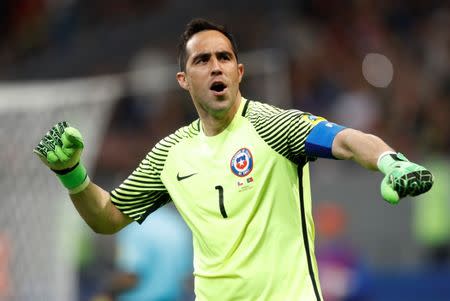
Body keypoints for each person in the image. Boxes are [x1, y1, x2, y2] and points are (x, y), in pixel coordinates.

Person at [34, 18, 434, 301]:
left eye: (224, 57)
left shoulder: (270, 125)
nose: (215, 67)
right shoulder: (169, 154)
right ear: (183, 80)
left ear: (239, 71)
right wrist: (72, 175)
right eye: (202, 60)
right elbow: (109, 216)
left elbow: (347, 140)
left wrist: (388, 160)